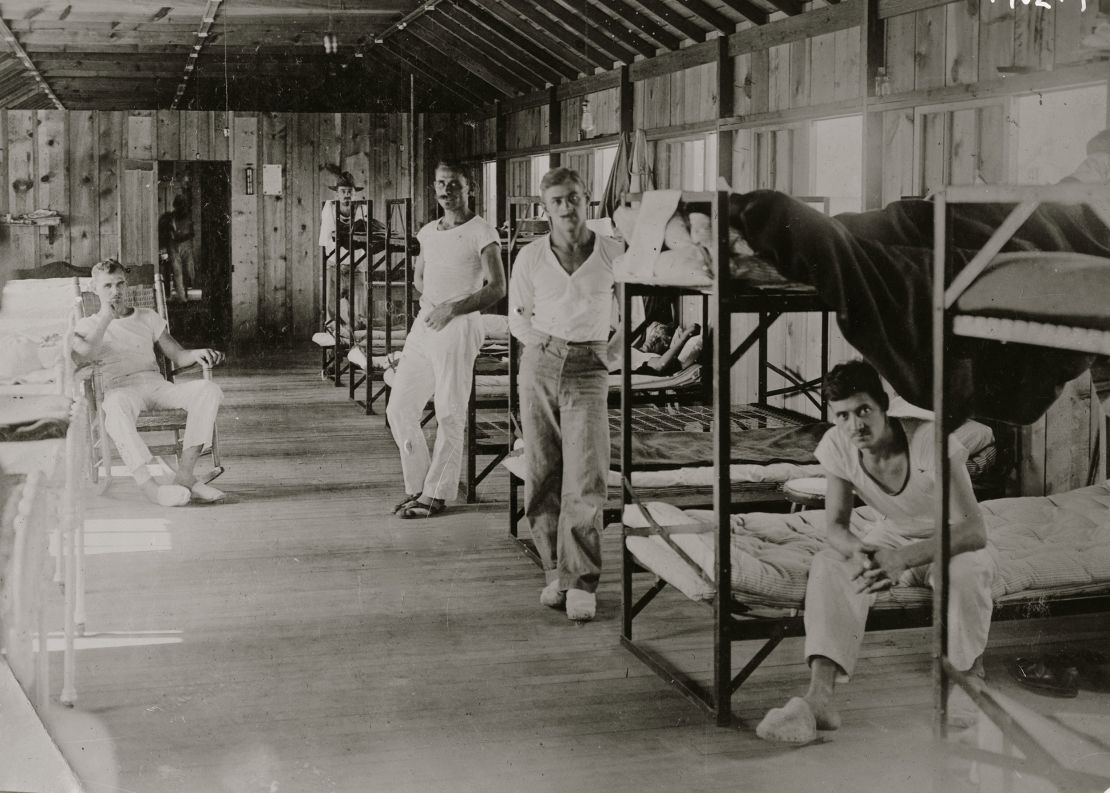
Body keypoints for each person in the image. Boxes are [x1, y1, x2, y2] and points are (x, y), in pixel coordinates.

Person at [756, 359, 995, 744]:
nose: (856, 425)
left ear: (884, 406)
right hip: (892, 535)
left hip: (950, 540)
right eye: (843, 415)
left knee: (966, 573)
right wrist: (860, 550)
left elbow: (974, 530)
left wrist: (902, 559)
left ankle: (967, 680)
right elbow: (835, 525)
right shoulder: (837, 444)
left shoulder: (931, 443)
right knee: (832, 562)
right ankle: (820, 700)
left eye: (864, 410)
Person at [508, 167, 624, 622]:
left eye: (573, 197)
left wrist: (609, 355)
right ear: (545, 207)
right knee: (542, 469)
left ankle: (581, 580)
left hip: (590, 368)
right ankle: (554, 570)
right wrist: (543, 347)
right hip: (539, 363)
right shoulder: (531, 256)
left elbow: (634, 312)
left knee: (587, 474)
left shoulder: (613, 253)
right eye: (555, 200)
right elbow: (518, 316)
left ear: (587, 199)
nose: (565, 206)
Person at [386, 161, 504, 519]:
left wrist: (452, 308)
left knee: (450, 411)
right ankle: (419, 486)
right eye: (440, 184)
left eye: (454, 185)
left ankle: (436, 495)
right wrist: (432, 304)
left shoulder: (482, 232)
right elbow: (421, 278)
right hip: (426, 322)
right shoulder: (427, 232)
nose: (446, 192)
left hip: (459, 324)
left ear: (469, 188)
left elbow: (497, 287)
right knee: (399, 408)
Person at [74, 259, 226, 507]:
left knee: (209, 390)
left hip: (155, 385)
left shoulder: (147, 317)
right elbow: (85, 356)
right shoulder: (87, 325)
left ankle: (185, 474)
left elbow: (177, 355)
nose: (116, 291)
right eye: (108, 286)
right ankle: (150, 487)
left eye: (120, 284)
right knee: (114, 408)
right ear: (94, 288)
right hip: (120, 388)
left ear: (128, 285)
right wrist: (105, 318)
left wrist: (197, 353)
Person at [318, 168, 369, 331]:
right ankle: (335, 348)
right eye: (343, 191)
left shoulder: (362, 209)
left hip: (357, 266)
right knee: (332, 315)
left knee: (359, 314)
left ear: (355, 194)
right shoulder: (329, 209)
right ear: (337, 194)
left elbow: (362, 237)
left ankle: (357, 350)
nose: (347, 195)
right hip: (335, 266)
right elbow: (329, 236)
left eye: (350, 192)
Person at [158, 194, 195, 303]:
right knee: (177, 271)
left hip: (186, 245)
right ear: (175, 206)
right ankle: (181, 297)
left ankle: (184, 294)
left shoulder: (188, 217)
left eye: (183, 205)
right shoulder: (169, 217)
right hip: (173, 246)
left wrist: (182, 237)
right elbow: (166, 233)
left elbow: (192, 233)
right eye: (179, 205)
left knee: (188, 271)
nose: (181, 208)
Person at [627, 320, 699, 375]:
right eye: (654, 335)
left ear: (664, 349)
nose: (653, 339)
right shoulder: (631, 349)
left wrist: (684, 337)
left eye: (660, 339)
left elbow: (660, 365)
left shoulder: (650, 357)